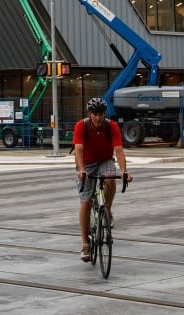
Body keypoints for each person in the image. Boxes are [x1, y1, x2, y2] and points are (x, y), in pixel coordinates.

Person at [73, 97, 130, 262]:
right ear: (90, 114)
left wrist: (124, 170)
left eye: (101, 114)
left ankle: (107, 211)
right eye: (95, 114)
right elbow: (78, 150)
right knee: (86, 202)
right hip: (87, 163)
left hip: (105, 160)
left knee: (111, 178)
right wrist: (82, 170)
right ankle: (85, 244)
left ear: (105, 114)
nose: (98, 118)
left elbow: (118, 150)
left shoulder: (111, 126)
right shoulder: (81, 126)